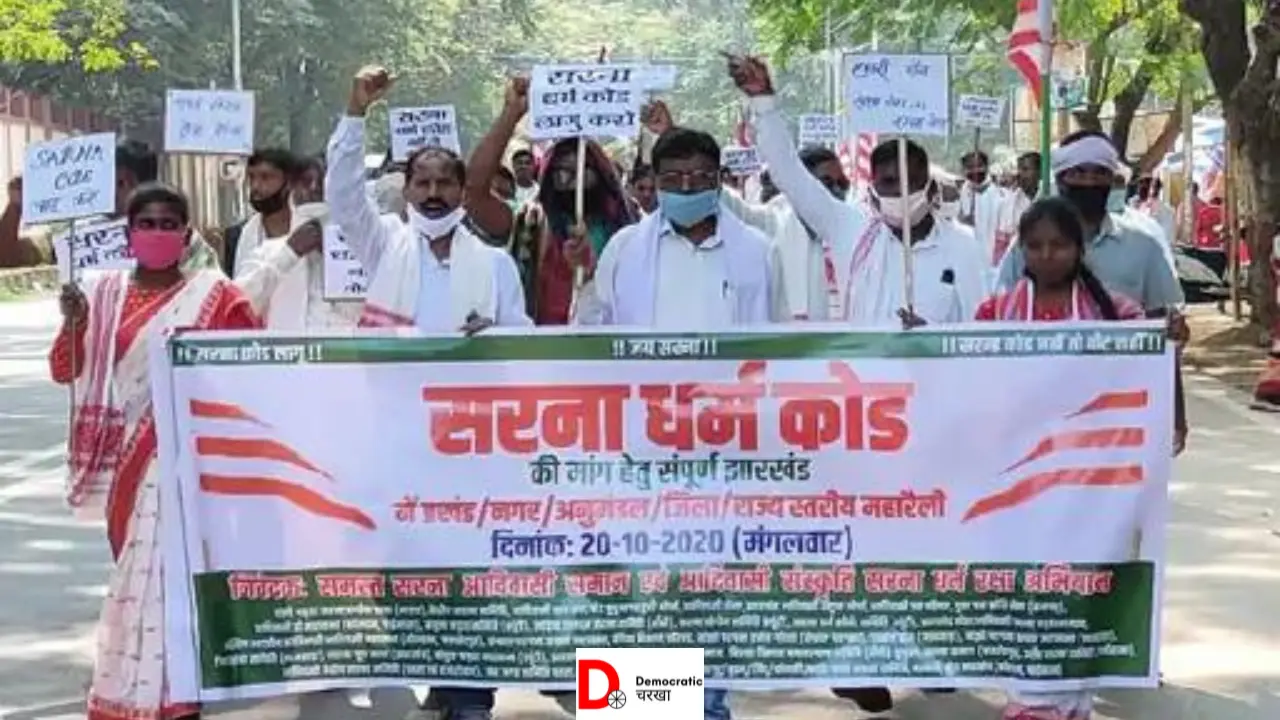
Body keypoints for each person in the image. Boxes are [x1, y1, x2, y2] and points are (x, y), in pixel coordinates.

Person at [572, 127, 785, 720]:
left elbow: (780, 347)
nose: (686, 189)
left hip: (726, 448)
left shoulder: (757, 251)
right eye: (673, 179)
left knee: (708, 586)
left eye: (698, 178)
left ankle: (709, 704)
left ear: (719, 180)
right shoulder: (624, 249)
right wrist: (581, 280)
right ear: (654, 183)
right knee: (643, 585)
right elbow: (590, 337)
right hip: (641, 447)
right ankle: (643, 706)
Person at [51, 182, 262, 720]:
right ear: (129, 233)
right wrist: (75, 321)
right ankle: (151, 683)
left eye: (169, 224)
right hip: (129, 456)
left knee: (174, 576)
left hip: (191, 459)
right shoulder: (101, 295)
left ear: (187, 234)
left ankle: (173, 693)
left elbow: (252, 367)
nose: (158, 232)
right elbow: (64, 370)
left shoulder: (217, 295)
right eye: (147, 223)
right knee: (136, 571)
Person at [978, 197, 1186, 720]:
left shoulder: (1116, 312)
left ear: (1079, 249)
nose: (1047, 255)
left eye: (1059, 245)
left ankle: (1070, 698)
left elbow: (1152, 357)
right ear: (1021, 250)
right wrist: (918, 341)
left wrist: (1168, 339)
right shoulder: (996, 313)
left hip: (1089, 480)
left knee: (1081, 580)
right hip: (1018, 477)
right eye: (1035, 246)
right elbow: (954, 365)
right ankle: (1031, 697)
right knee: (1027, 582)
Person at [729, 54, 987, 332]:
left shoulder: (963, 246)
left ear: (932, 188)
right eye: (889, 182)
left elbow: (982, 330)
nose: (900, 191)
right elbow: (789, 172)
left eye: (911, 181)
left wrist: (931, 337)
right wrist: (764, 102)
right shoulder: (851, 229)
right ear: (873, 190)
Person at [327, 64, 529, 334]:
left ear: (462, 192)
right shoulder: (384, 245)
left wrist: (491, 336)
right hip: (390, 364)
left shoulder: (496, 264)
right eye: (423, 183)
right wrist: (355, 111)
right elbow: (344, 197)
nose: (433, 193)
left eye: (444, 183)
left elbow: (518, 340)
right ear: (406, 191)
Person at [995, 131, 1183, 313]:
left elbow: (1163, 314)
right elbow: (1001, 310)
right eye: (1078, 172)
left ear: (1111, 180)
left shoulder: (1144, 242)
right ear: (1060, 179)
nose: (1089, 182)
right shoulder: (1030, 244)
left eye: (1100, 173)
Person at [510, 132, 636, 325]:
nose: (570, 180)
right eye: (561, 171)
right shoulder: (531, 218)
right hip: (547, 333)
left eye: (579, 170)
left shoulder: (622, 218)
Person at [958, 149, 1006, 266]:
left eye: (979, 166)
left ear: (986, 167)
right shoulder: (959, 195)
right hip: (967, 259)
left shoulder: (1001, 196)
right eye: (970, 167)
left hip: (993, 260)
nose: (975, 171)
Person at [992, 152, 1041, 264]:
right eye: (1019, 169)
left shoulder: (1052, 197)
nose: (1020, 174)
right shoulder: (1008, 204)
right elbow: (1002, 245)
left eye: (1025, 169)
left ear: (1040, 172)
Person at [1132, 175, 1176, 247]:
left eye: (1143, 187)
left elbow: (1166, 236)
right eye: (1139, 187)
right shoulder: (1138, 206)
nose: (1139, 190)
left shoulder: (1165, 211)